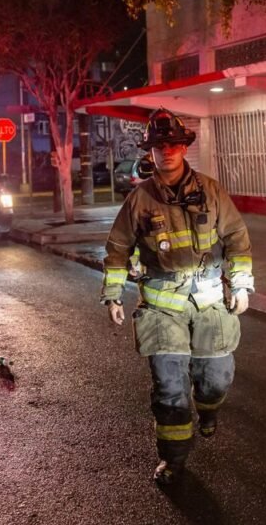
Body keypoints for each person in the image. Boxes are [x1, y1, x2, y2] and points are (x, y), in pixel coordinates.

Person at [101, 108, 254, 486]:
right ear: (150, 152)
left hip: (209, 303)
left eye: (173, 144)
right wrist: (113, 294)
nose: (166, 151)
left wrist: (241, 284)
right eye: (159, 146)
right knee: (170, 389)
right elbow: (117, 249)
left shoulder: (211, 191)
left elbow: (236, 238)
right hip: (161, 308)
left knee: (216, 380)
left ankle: (209, 409)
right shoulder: (139, 200)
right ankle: (173, 460)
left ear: (184, 147)